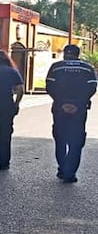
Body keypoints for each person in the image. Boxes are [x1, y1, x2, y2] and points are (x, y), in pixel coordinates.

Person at [45, 44, 97, 183]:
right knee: (76, 140)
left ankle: (62, 168)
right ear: (78, 54)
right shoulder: (87, 68)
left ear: (64, 53)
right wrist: (78, 103)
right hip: (79, 109)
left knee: (60, 138)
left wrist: (62, 103)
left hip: (59, 108)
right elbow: (92, 87)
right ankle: (70, 172)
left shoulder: (56, 67)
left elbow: (49, 86)